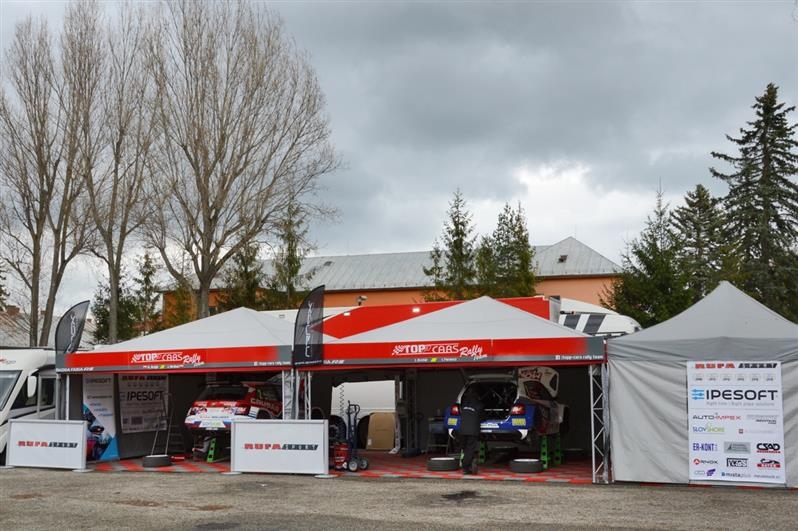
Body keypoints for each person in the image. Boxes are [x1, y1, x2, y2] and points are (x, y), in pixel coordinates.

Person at [459, 388, 483, 475]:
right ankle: (465, 468)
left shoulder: (463, 405)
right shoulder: (479, 405)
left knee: (464, 448)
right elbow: (483, 417)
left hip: (462, 430)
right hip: (472, 431)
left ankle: (466, 463)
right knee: (470, 449)